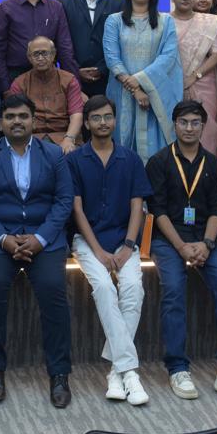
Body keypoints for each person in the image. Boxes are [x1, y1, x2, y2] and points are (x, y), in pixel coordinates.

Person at [0, 94, 74, 408]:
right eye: (11, 116)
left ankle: (59, 373)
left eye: (23, 116)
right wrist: (3, 239)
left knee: (54, 291)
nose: (17, 121)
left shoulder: (53, 154)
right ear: (1, 123)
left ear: (33, 120)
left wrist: (40, 239)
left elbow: (63, 201)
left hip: (44, 239)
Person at [144, 100, 217, 400]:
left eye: (195, 122)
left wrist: (207, 244)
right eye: (183, 122)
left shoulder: (213, 164)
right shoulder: (159, 162)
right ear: (174, 125)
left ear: (203, 126)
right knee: (173, 289)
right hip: (169, 239)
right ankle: (177, 367)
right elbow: (157, 211)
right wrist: (182, 246)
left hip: (206, 238)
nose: (189, 128)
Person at [69, 96, 152, 405]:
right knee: (104, 288)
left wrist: (129, 245)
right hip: (87, 240)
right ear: (87, 123)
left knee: (133, 289)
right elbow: (77, 210)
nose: (102, 123)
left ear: (115, 120)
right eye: (96, 118)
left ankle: (116, 372)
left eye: (107, 117)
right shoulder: (75, 160)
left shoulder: (130, 159)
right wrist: (99, 252)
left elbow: (137, 206)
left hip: (123, 241)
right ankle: (130, 372)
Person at [104, 0, 182, 159]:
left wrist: (139, 80)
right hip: (122, 93)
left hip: (154, 92)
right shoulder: (114, 21)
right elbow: (112, 58)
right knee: (122, 144)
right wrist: (135, 89)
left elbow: (169, 56)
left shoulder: (166, 21)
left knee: (155, 150)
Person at [0, 0, 78, 92]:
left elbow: (65, 48)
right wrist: (5, 88)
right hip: (15, 77)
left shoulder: (56, 7)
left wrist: (73, 86)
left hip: (50, 78)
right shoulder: (7, 7)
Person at [57, 0, 125, 98]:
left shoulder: (118, 1)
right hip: (74, 78)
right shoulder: (63, 0)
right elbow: (62, 42)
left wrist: (102, 69)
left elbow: (122, 40)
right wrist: (75, 71)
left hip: (110, 77)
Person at [171, 0, 217, 155]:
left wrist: (193, 77)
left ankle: (206, 167)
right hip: (171, 83)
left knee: (207, 129)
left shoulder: (210, 21)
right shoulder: (163, 20)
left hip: (203, 83)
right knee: (174, 126)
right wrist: (180, 81)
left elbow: (216, 55)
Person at [7, 36, 84, 153]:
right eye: (36, 54)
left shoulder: (69, 80)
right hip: (31, 139)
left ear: (53, 55)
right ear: (29, 58)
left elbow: (76, 115)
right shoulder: (20, 83)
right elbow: (15, 117)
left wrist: (69, 139)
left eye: (44, 53)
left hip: (63, 136)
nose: (40, 58)